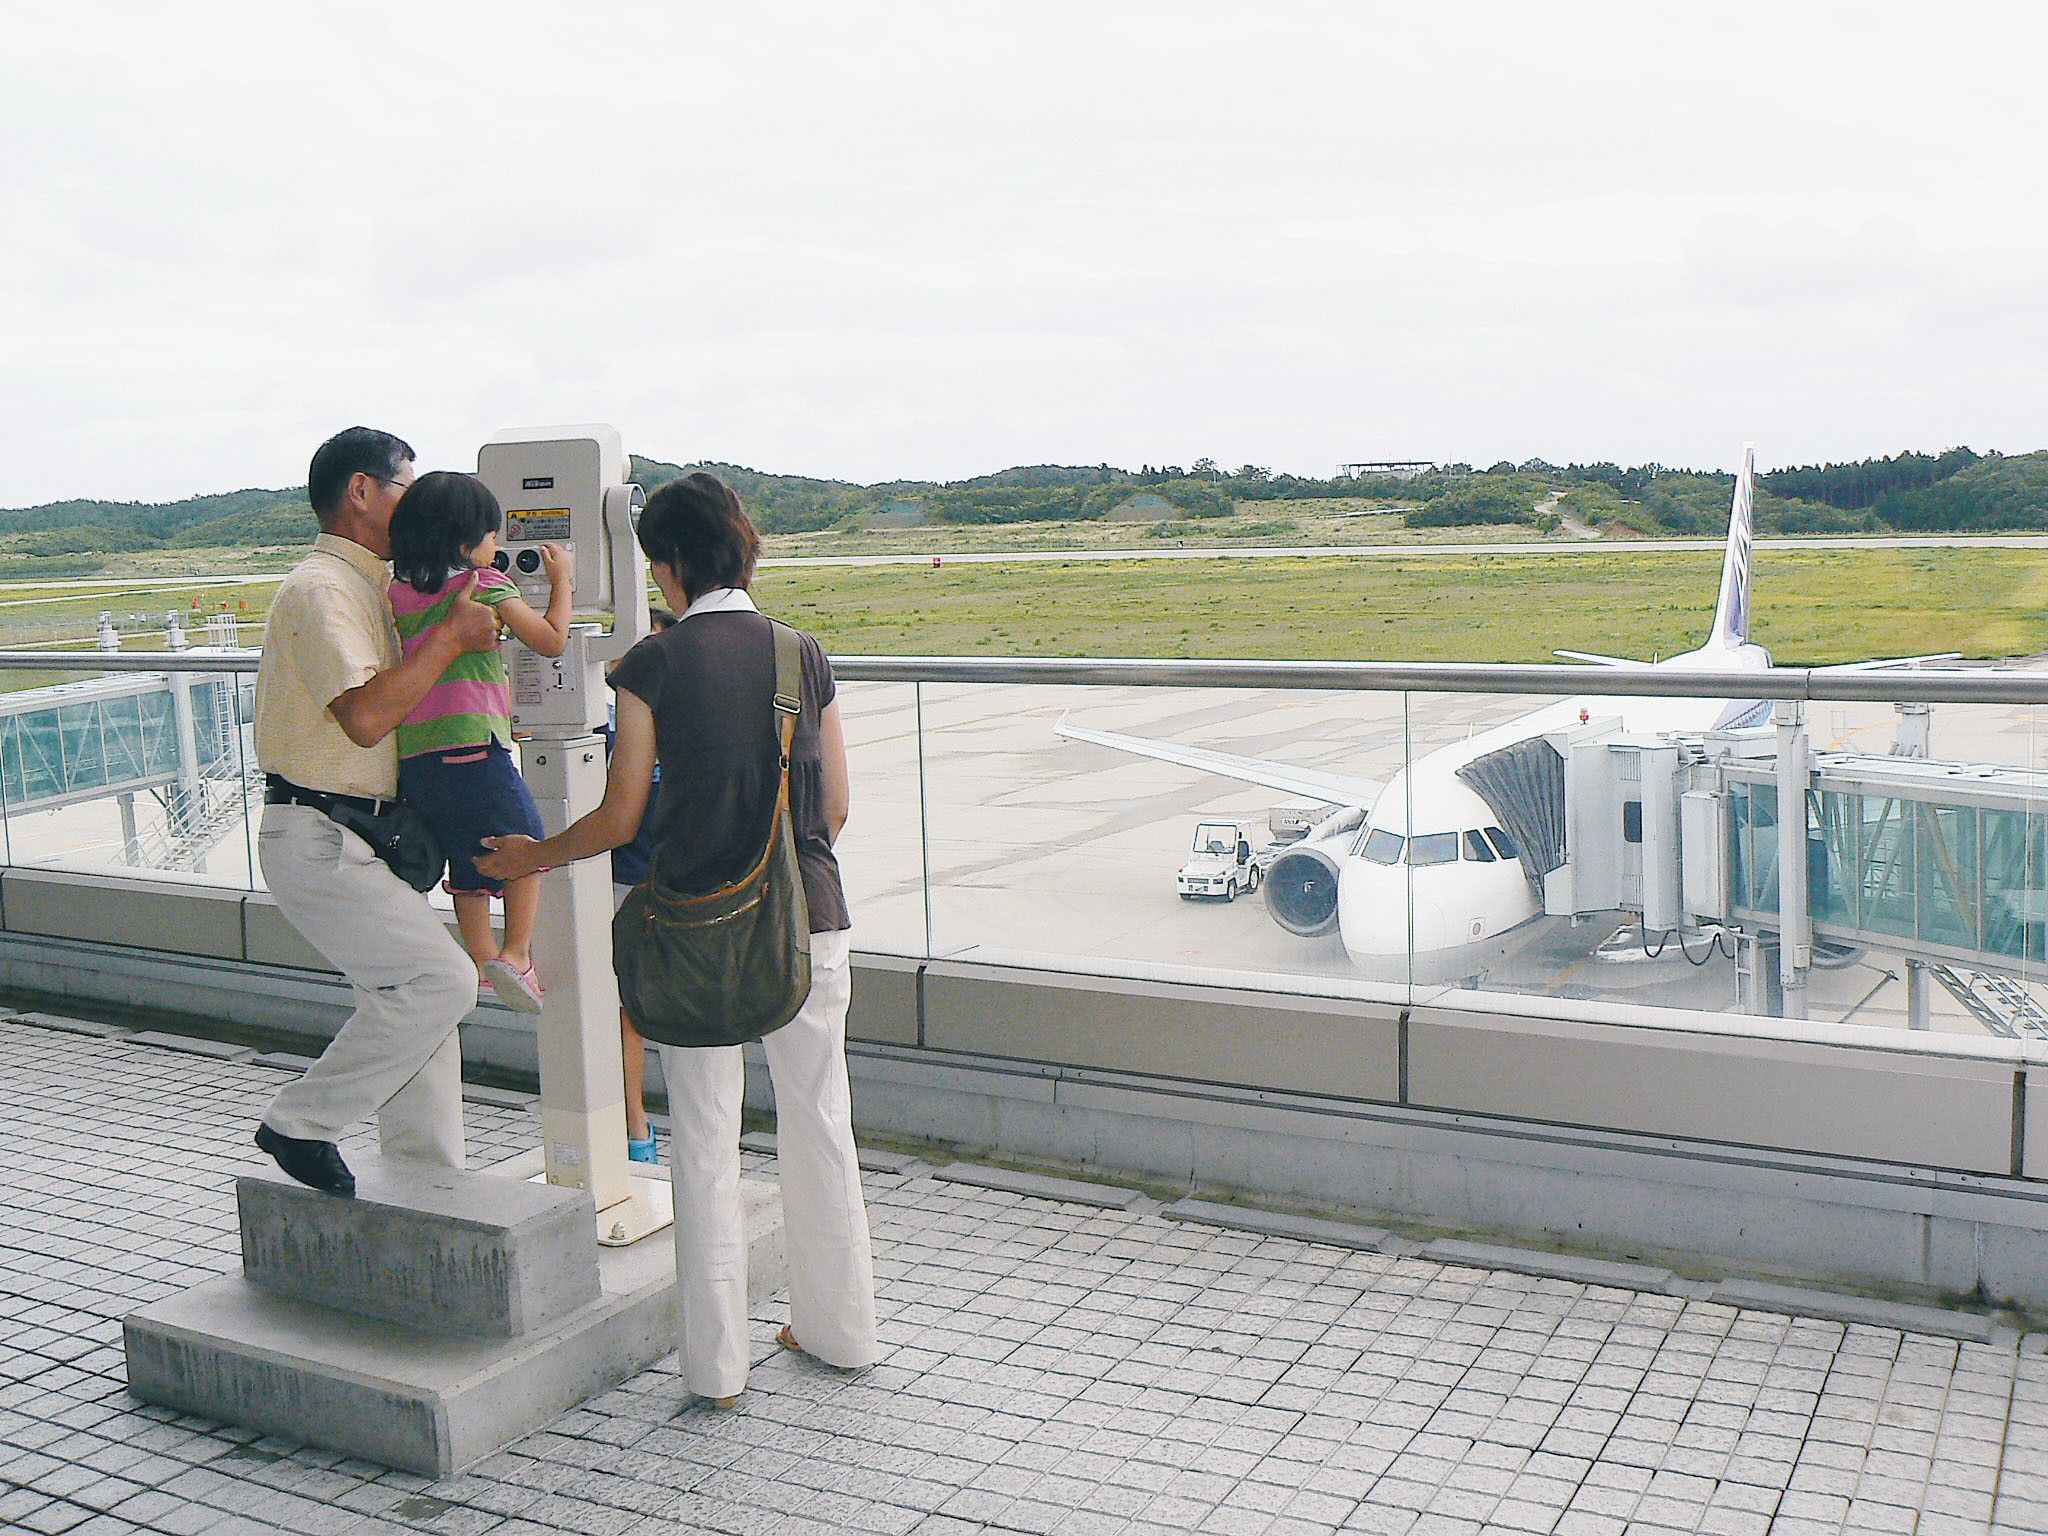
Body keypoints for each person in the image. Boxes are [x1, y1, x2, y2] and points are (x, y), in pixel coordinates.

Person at [478, 471, 876, 1406]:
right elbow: (838, 807)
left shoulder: (651, 666)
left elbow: (620, 818)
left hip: (697, 929)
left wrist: (534, 852)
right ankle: (842, 1332)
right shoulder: (801, 654)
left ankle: (717, 1369)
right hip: (806, 923)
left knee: (703, 1141)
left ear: (671, 565)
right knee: (820, 1121)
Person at [251, 428, 500, 1195]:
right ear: (362, 492)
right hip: (322, 833)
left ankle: (426, 1184)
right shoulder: (324, 589)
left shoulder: (377, 587)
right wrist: (452, 639)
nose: (418, 503)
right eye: (406, 488)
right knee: (440, 983)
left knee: (405, 999)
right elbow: (364, 717)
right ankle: (300, 1122)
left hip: (361, 833)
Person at [388, 472, 572, 1011]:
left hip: (418, 755)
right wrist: (563, 584)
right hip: (474, 743)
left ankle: (481, 958)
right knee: (526, 843)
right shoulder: (484, 584)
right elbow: (550, 640)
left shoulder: (396, 592)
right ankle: (517, 954)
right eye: (492, 535)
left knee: (466, 856)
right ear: (468, 544)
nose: (497, 547)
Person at [605, 605, 678, 1162]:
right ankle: (635, 1123)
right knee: (626, 1009)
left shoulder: (686, 722)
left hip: (676, 886)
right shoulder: (601, 725)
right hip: (619, 883)